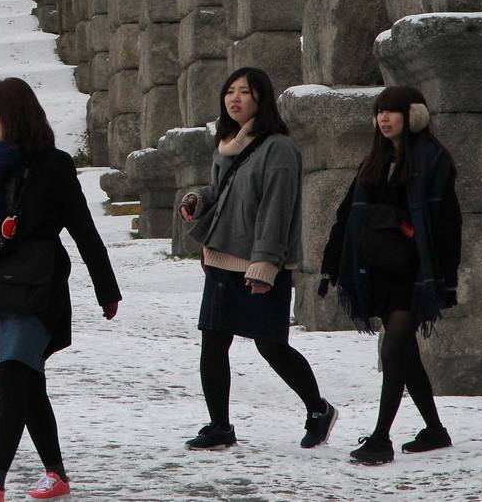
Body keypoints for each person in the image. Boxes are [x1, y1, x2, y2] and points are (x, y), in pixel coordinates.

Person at [0, 77, 120, 502]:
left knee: (12, 374)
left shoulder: (54, 164)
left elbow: (84, 229)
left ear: (14, 115)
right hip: (0, 291)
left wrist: (106, 288)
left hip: (38, 290)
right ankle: (56, 474)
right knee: (29, 387)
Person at [177, 66, 336, 453]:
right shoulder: (227, 143)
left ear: (261, 98)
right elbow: (222, 192)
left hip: (260, 264)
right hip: (220, 258)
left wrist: (265, 264)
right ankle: (220, 426)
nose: (234, 99)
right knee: (213, 343)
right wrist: (200, 200)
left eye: (244, 92)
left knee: (271, 345)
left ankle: (318, 409)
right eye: (229, 91)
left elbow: (276, 210)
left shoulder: (278, 148)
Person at [319, 86, 462, 466]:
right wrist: (331, 264)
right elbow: (347, 214)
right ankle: (434, 430)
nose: (384, 119)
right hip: (379, 267)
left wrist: (447, 281)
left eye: (393, 112)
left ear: (413, 116)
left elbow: (448, 224)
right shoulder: (375, 162)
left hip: (415, 271)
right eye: (380, 112)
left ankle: (381, 438)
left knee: (393, 347)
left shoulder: (433, 160)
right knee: (405, 353)